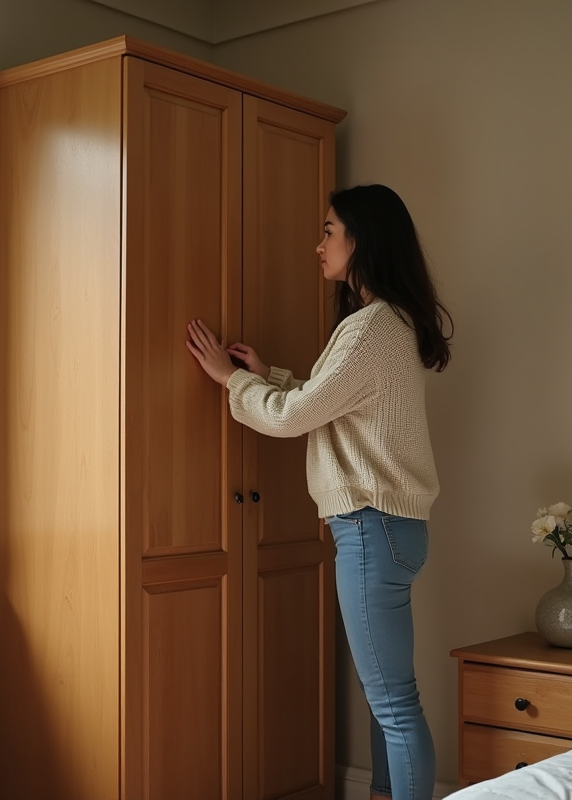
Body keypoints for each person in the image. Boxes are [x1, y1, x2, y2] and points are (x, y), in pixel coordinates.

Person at [186, 183, 452, 800]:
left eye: (329, 230)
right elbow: (339, 406)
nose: (318, 244)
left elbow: (292, 417)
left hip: (368, 527)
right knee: (388, 697)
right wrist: (271, 376)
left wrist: (232, 382)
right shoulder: (389, 323)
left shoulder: (371, 325)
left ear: (363, 240)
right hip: (395, 529)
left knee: (392, 704)